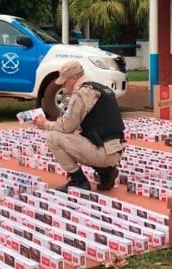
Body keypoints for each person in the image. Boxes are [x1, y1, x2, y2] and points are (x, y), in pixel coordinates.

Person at [34, 60, 126, 192]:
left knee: (54, 138)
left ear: (74, 78)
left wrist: (45, 124)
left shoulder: (81, 93)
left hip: (104, 152)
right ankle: (105, 172)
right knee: (74, 137)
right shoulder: (99, 88)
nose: (64, 85)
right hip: (115, 148)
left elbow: (66, 127)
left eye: (65, 81)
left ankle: (78, 181)